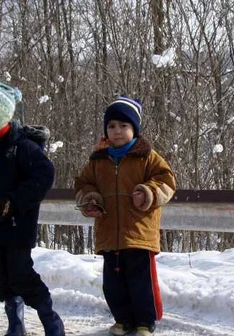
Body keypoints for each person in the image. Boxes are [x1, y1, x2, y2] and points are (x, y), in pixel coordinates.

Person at [0, 82, 65, 336]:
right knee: (4, 277)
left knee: (21, 274)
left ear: (1, 114)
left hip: (16, 227)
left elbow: (45, 174)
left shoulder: (20, 146)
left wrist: (14, 203)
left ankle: (51, 321)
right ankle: (15, 325)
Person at [74, 96, 176, 336]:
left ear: (134, 129)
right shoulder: (97, 161)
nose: (117, 131)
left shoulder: (148, 157)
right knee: (113, 283)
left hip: (139, 232)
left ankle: (144, 322)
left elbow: (166, 181)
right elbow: (83, 185)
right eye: (111, 126)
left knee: (141, 282)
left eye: (123, 126)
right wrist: (91, 199)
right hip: (109, 232)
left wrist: (147, 192)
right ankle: (122, 319)